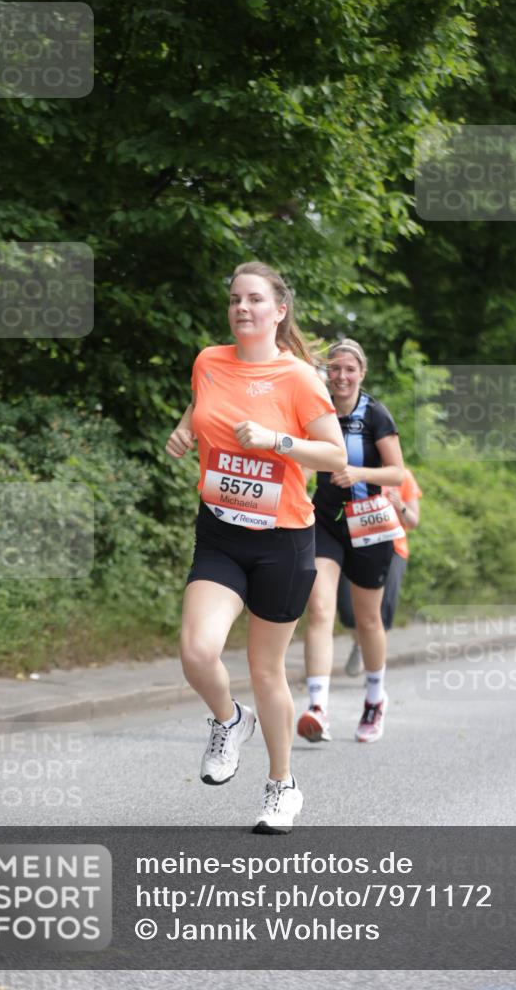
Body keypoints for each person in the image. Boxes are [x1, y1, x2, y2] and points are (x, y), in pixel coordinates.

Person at [165, 262, 346, 834]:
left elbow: (335, 455)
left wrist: (277, 441)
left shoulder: (298, 377)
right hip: (221, 530)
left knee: (266, 671)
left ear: (278, 310)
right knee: (197, 651)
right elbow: (208, 400)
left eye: (255, 300)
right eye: (235, 300)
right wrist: (186, 427)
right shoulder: (208, 361)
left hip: (284, 540)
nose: (242, 308)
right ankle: (227, 720)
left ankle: (281, 786)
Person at [297, 338, 405, 745]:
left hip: (369, 523)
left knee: (367, 619)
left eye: (349, 369)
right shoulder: (315, 407)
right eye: (334, 369)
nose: (341, 376)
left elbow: (397, 473)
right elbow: (305, 459)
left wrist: (359, 475)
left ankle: (375, 699)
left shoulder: (375, 413)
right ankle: (317, 707)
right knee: (320, 608)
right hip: (324, 521)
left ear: (361, 373)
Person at [341, 470, 422, 676]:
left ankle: (375, 671)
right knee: (348, 610)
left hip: (393, 547)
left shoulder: (402, 476)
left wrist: (400, 505)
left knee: (382, 611)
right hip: (357, 545)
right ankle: (359, 644)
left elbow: (413, 521)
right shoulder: (354, 471)